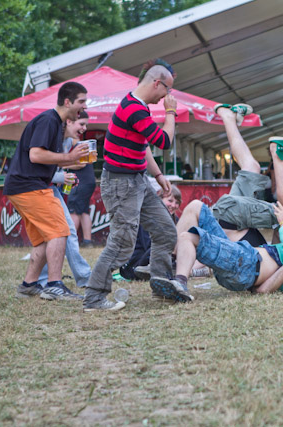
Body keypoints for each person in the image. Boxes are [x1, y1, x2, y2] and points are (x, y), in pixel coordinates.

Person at [154, 109, 283, 296]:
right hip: (234, 226)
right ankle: (228, 117)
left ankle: (274, 153)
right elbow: (280, 261)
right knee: (254, 170)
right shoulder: (282, 260)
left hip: (231, 224)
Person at [83, 58, 179, 312]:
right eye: (167, 89)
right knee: (122, 242)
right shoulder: (133, 108)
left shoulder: (138, 107)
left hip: (137, 180)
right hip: (120, 184)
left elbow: (143, 146)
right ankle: (93, 298)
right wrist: (170, 112)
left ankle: (161, 283)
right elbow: (163, 141)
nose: (167, 96)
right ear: (156, 83)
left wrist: (157, 175)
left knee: (165, 231)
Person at [3, 82, 89, 301]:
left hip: (24, 186)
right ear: (67, 101)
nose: (84, 106)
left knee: (43, 239)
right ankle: (54, 285)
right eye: (81, 101)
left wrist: (70, 162)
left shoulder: (54, 123)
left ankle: (29, 285)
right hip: (29, 186)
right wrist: (69, 157)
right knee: (60, 231)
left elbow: (43, 159)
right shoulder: (49, 120)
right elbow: (36, 155)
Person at [37, 113, 93, 289]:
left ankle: (43, 281)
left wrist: (64, 176)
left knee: (58, 233)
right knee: (58, 233)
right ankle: (48, 280)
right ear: (69, 122)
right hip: (36, 189)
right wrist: (62, 176)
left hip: (48, 188)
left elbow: (55, 169)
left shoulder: (68, 141)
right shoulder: (52, 137)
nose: (85, 129)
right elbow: (39, 170)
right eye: (82, 124)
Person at [66, 113, 97, 247]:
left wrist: (59, 164)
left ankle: (71, 242)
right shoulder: (79, 142)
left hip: (80, 181)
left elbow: (81, 163)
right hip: (88, 181)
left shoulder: (75, 141)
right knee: (83, 210)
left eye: (85, 125)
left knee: (73, 210)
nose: (84, 128)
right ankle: (87, 241)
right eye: (82, 124)